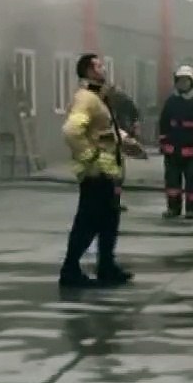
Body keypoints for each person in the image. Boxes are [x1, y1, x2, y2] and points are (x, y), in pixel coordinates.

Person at [58, 54, 134, 288]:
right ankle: (70, 270)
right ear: (88, 71)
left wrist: (126, 141)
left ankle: (106, 266)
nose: (103, 69)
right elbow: (72, 130)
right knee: (88, 221)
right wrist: (88, 156)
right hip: (96, 172)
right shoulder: (86, 98)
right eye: (98, 65)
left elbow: (102, 131)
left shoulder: (99, 97)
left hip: (107, 171)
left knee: (109, 220)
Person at [158, 65, 193, 220]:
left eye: (185, 80)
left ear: (192, 82)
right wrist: (163, 141)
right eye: (180, 81)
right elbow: (163, 122)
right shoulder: (171, 102)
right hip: (173, 150)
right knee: (172, 182)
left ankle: (191, 210)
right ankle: (173, 208)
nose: (182, 84)